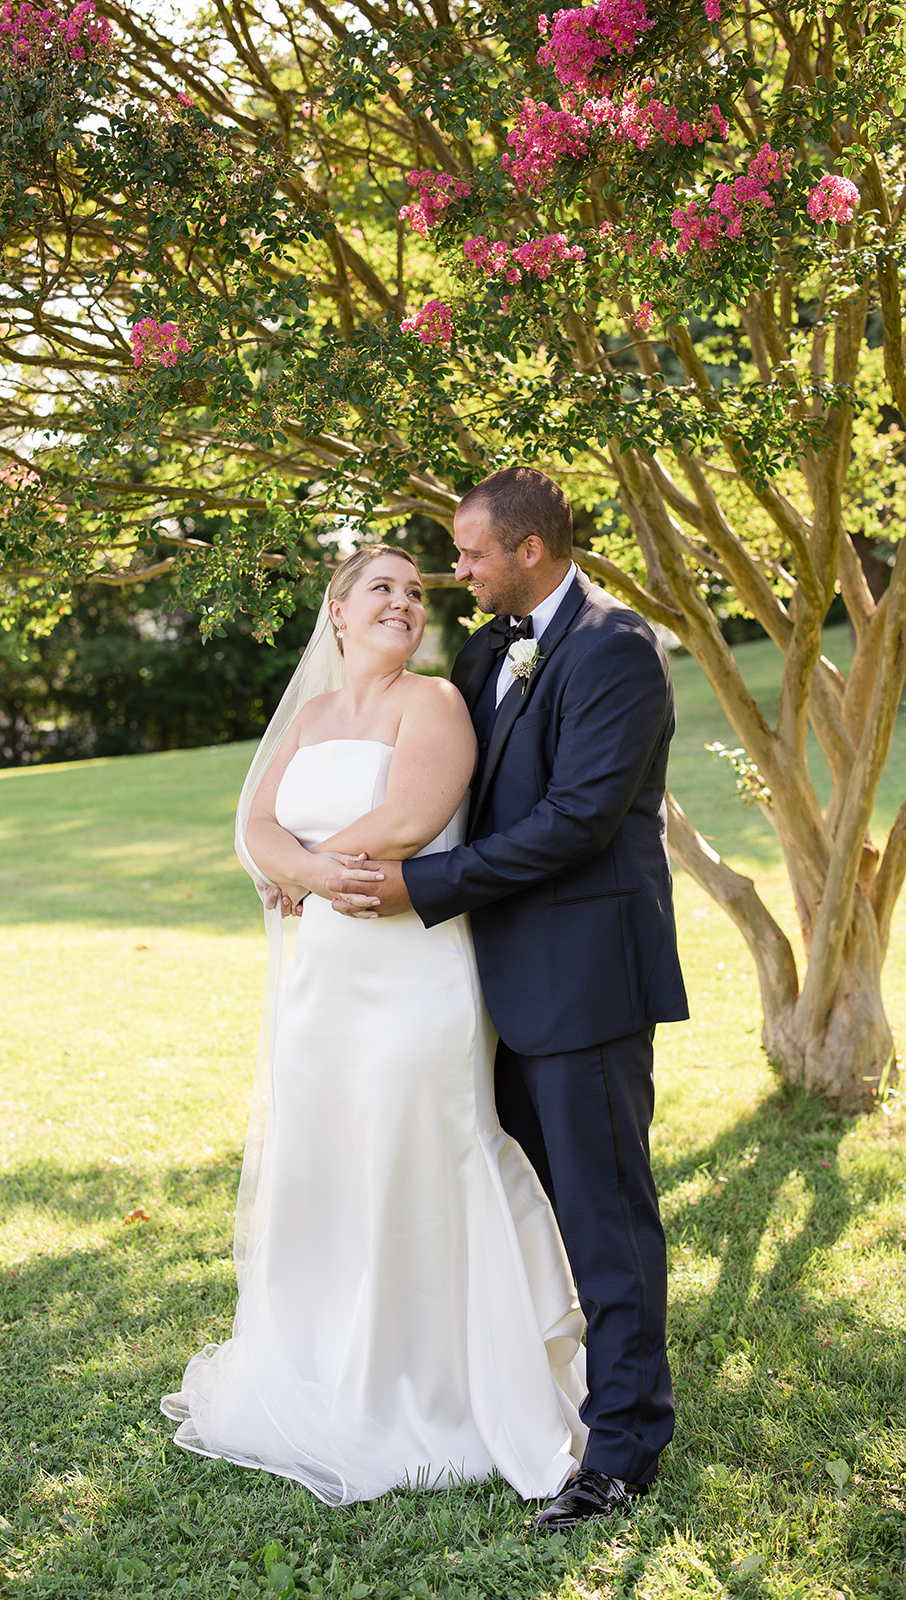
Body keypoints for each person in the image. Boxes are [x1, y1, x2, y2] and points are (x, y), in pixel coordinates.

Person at [161, 543, 590, 1506]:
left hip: (415, 974)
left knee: (419, 1147)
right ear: (339, 613)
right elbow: (256, 824)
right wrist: (293, 866)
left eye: (414, 591)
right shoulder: (311, 717)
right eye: (381, 589)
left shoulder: (431, 703)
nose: (403, 603)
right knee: (332, 1156)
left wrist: (304, 870)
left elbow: (410, 817)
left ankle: (444, 1382)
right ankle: (331, 1369)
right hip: (323, 982)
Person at [327, 468, 689, 1529]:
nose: (458, 572)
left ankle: (621, 1450)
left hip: (583, 982)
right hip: (485, 992)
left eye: (471, 555)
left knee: (604, 1217)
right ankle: (543, 1395)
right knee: (525, 1212)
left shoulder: (616, 649)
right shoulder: (490, 649)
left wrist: (418, 886)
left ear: (526, 548)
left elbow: (577, 818)